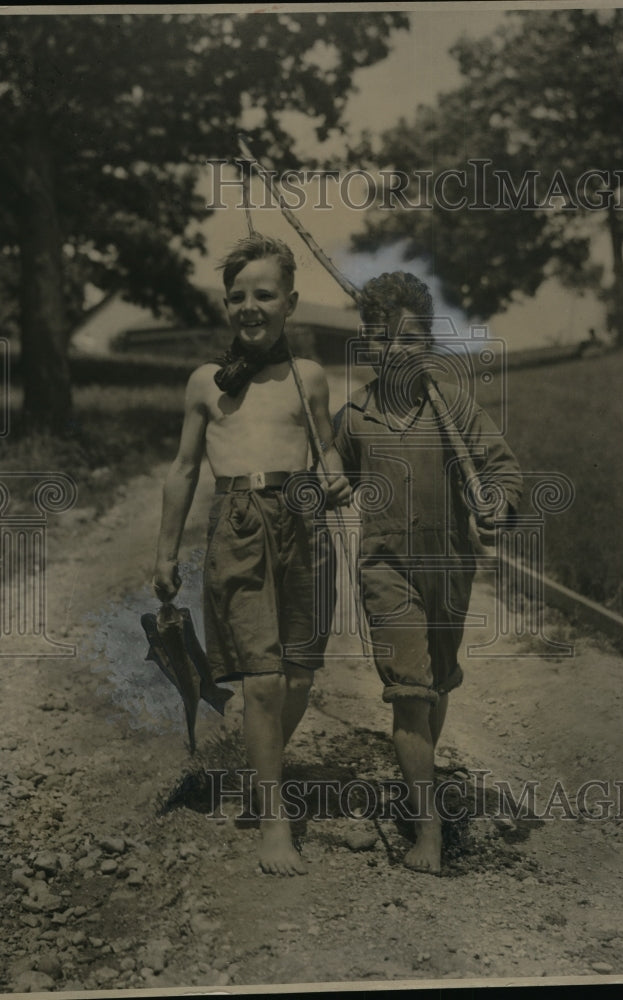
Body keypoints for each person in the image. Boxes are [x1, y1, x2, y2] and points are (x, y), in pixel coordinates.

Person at [153, 233, 350, 876]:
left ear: (290, 302)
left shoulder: (310, 377)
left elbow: (328, 452)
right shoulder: (206, 383)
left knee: (296, 677)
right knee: (261, 681)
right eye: (237, 296)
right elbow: (183, 470)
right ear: (226, 306)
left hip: (303, 525)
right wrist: (165, 552)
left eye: (264, 294)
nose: (249, 306)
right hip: (237, 526)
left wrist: (336, 474)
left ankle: (255, 767)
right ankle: (274, 819)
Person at [329, 271, 522, 874]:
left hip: (450, 569)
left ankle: (421, 787)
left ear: (430, 343)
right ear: (366, 344)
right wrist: (329, 475)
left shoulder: (454, 407)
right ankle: (429, 834)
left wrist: (497, 504)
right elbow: (333, 464)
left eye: (409, 338)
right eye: (380, 337)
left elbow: (504, 471)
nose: (394, 350)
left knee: (435, 686)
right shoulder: (354, 416)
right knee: (409, 696)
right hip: (386, 570)